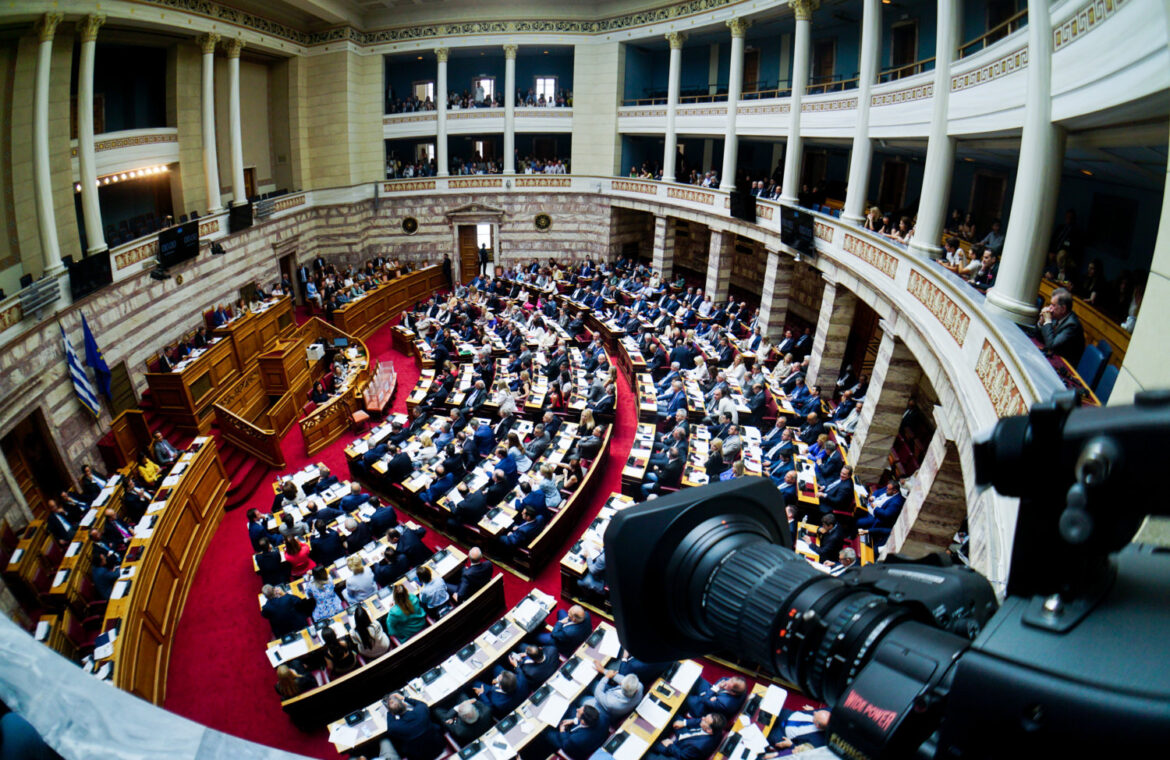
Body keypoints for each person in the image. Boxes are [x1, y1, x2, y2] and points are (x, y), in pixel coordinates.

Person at [539, 703, 609, 760]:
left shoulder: (576, 739)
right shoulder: (603, 718)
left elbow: (565, 744)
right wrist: (574, 720)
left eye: (578, 712)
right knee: (571, 708)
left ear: (583, 722)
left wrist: (562, 730)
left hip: (574, 750)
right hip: (594, 738)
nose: (577, 709)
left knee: (547, 732)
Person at [646, 713, 727, 760]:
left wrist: (670, 745)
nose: (702, 718)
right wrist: (684, 723)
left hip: (679, 749)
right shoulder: (717, 729)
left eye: (705, 720)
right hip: (687, 736)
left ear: (709, 730)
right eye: (705, 717)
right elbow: (699, 720)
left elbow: (682, 756)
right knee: (674, 716)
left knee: (650, 743)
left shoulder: (698, 747)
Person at [1038, 287, 1085, 364]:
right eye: (1050, 304)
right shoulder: (1057, 317)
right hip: (1053, 357)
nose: (1050, 308)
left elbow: (1051, 345)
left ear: (1063, 309)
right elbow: (1039, 338)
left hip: (1065, 365)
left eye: (1053, 305)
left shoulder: (1072, 325)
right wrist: (1041, 322)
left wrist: (1047, 321)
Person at [763, 708, 831, 753]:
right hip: (787, 715)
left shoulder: (817, 742)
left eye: (815, 716)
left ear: (817, 726)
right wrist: (813, 710)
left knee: (763, 732)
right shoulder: (829, 711)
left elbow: (801, 752)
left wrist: (791, 745)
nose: (814, 712)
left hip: (782, 734)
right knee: (766, 711)